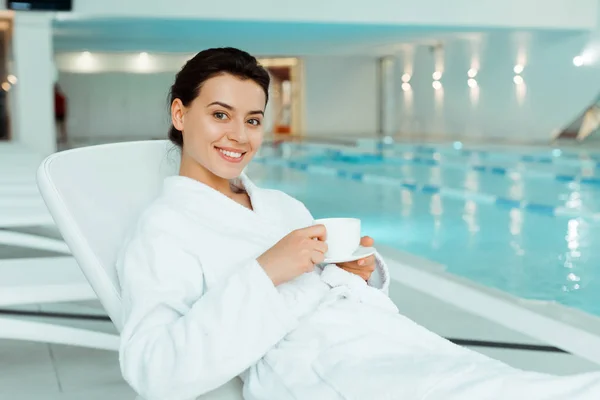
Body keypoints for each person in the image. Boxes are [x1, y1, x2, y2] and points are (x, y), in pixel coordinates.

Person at [116, 47, 600, 400]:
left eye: (253, 120)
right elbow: (156, 372)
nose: (239, 136)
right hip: (326, 370)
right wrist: (266, 272)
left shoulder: (281, 205)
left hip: (394, 345)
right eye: (220, 114)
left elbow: (329, 293)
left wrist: (353, 276)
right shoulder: (164, 230)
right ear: (180, 113)